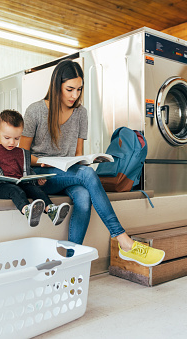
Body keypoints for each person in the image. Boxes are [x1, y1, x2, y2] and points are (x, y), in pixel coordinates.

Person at [20, 60, 165, 266]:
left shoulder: (81, 113)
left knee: (84, 194)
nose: (74, 95)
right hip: (42, 175)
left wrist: (88, 160)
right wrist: (43, 161)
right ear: (56, 86)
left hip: (67, 173)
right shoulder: (35, 111)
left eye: (79, 90)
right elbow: (22, 154)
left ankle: (69, 263)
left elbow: (78, 154)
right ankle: (123, 240)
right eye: (69, 89)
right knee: (87, 176)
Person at [0, 109, 70, 227]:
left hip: (18, 182)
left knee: (34, 190)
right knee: (15, 191)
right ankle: (27, 211)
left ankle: (51, 210)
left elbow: (27, 170)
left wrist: (37, 179)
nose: (12, 142)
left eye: (17, 138)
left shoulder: (20, 152)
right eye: (7, 138)